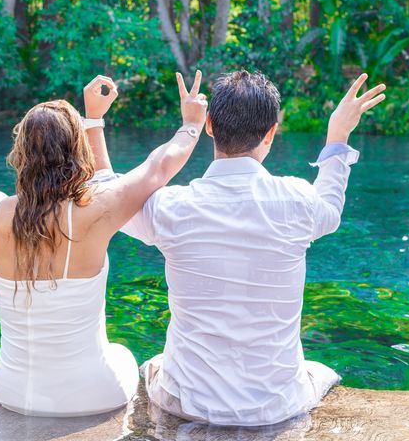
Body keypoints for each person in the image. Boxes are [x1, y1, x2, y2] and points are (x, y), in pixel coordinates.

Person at [91, 70, 386, 426]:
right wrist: (338, 134)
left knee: (152, 364)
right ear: (271, 134)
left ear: (210, 126)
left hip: (187, 403)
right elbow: (331, 207)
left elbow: (107, 197)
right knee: (321, 372)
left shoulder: (171, 207)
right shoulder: (297, 202)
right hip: (277, 406)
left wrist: (94, 119)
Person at [0, 64, 208, 417]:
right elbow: (159, 167)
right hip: (94, 395)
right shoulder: (96, 209)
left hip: (14, 392)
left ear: (20, 153)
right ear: (76, 152)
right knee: (124, 354)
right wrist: (191, 124)